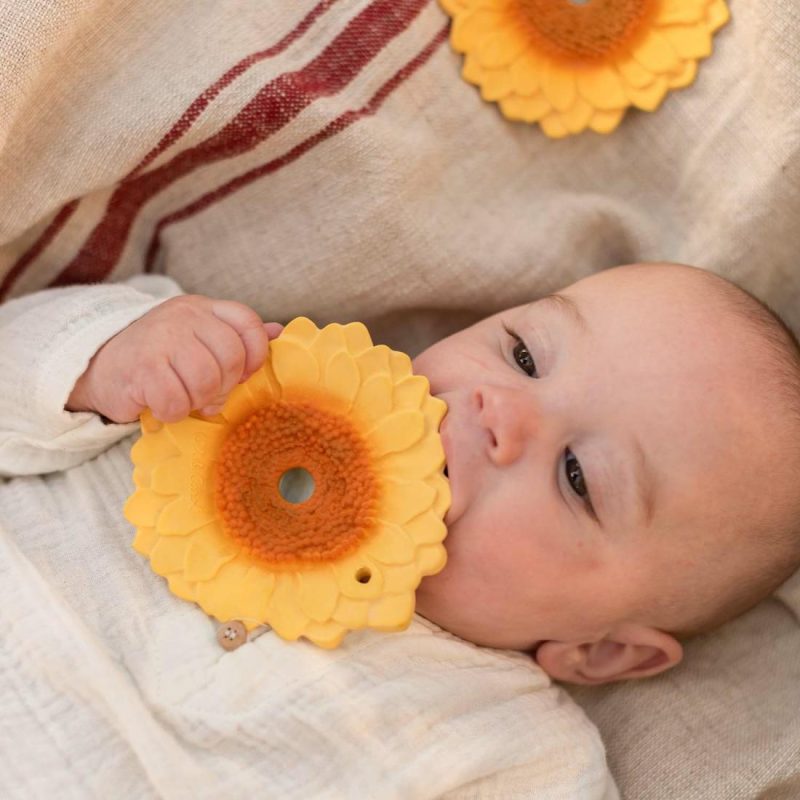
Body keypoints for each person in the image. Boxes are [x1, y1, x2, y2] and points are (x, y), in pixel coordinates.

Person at [0, 261, 797, 798]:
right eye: (521, 354)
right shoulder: (238, 387)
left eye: (578, 477)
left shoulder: (514, 756)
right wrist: (102, 359)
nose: (501, 411)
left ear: (602, 650)